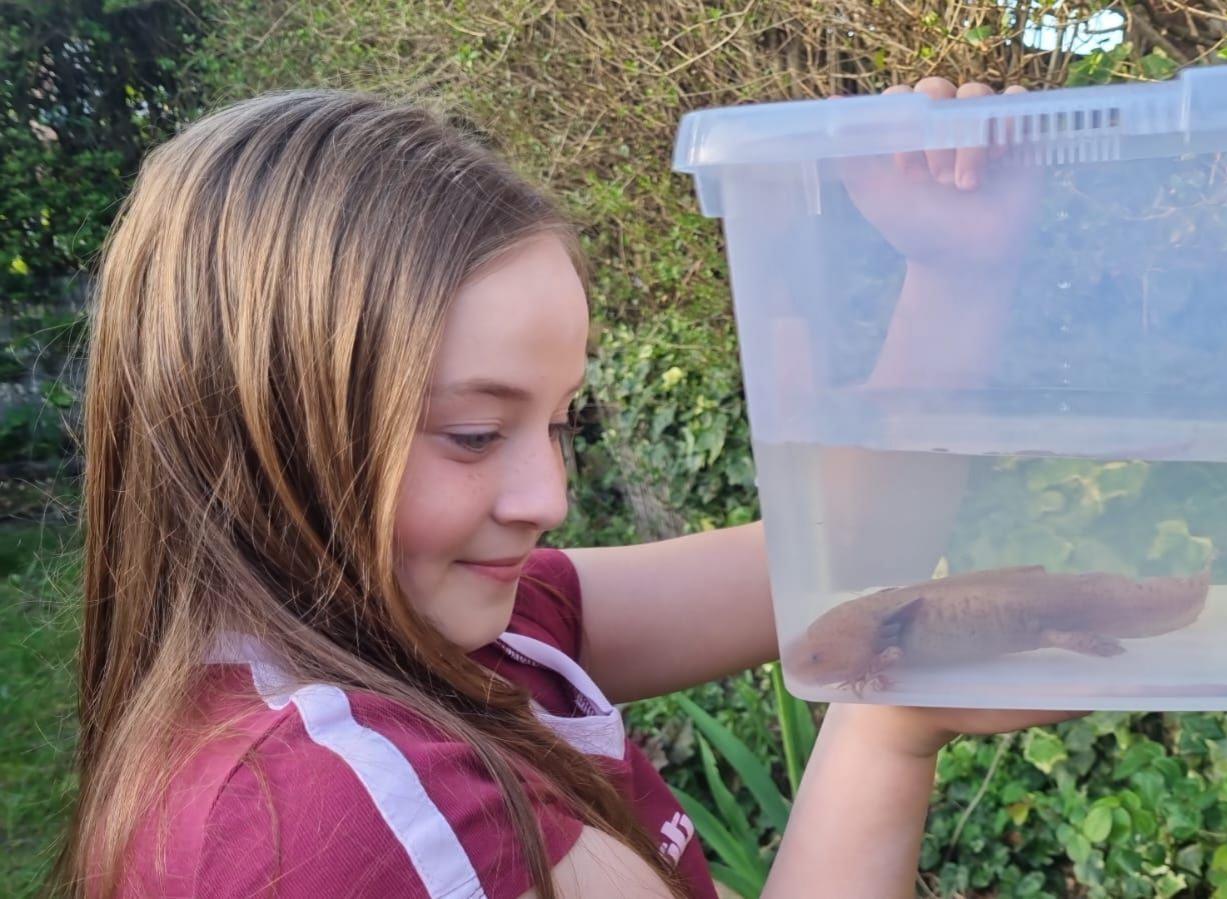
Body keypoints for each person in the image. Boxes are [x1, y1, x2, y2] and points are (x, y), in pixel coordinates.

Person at [57, 76, 1075, 899]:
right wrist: (884, 728)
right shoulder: (344, 817)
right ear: (259, 425)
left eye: (558, 420)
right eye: (472, 432)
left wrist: (955, 277)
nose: (547, 494)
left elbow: (845, 551)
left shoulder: (451, 626)